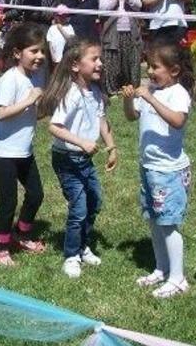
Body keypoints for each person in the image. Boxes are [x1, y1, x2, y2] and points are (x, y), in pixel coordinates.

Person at [37, 38, 118, 278]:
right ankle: (71, 255)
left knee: (95, 201)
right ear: (75, 65)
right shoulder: (70, 94)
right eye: (94, 59)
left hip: (84, 160)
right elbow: (54, 127)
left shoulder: (94, 91)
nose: (100, 63)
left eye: (100, 59)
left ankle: (83, 246)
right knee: (79, 207)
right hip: (66, 159)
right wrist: (81, 142)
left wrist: (112, 147)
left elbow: (102, 120)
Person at [121, 39, 195, 298]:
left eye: (155, 67)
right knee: (154, 221)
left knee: (169, 223)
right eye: (148, 66)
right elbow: (132, 117)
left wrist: (151, 98)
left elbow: (177, 120)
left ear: (174, 71)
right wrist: (129, 101)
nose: (150, 72)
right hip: (150, 167)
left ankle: (178, 278)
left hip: (169, 170)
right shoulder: (151, 90)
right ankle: (162, 269)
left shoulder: (178, 94)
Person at [0, 23, 48, 266]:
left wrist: (44, 107)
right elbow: (2, 113)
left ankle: (21, 234)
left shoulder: (33, 78)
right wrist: (29, 100)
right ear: (17, 53)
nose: (40, 56)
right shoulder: (9, 79)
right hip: (4, 151)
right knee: (8, 201)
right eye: (33, 51)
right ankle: (0, 248)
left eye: (42, 51)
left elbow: (31, 113)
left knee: (36, 194)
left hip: (24, 150)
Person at [99, 0, 143, 95]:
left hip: (130, 31)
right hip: (113, 32)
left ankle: (132, 88)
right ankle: (112, 90)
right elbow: (103, 10)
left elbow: (138, 6)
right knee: (112, 61)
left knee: (131, 60)